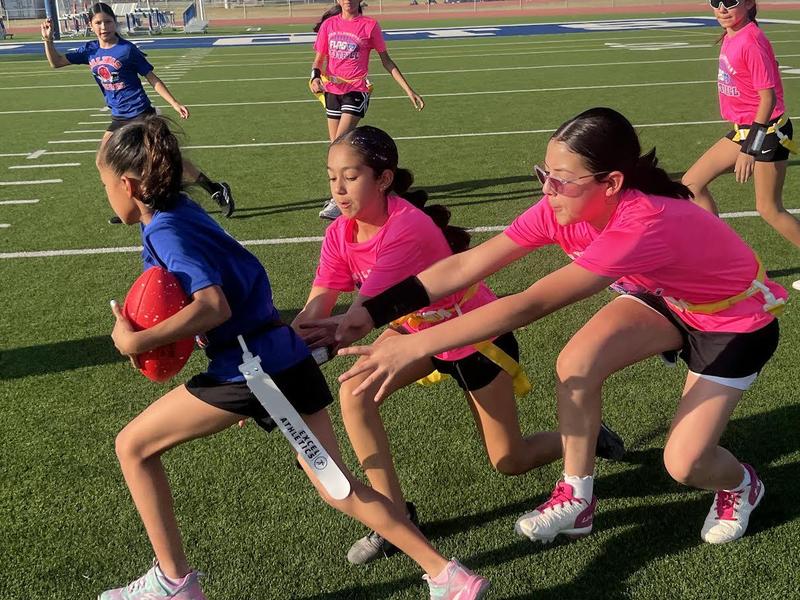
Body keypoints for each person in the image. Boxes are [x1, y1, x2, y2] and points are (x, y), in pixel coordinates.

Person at [333, 107, 784, 546]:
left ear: (611, 183)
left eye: (562, 179)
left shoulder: (641, 224)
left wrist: (413, 346)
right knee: (576, 363)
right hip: (667, 299)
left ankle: (742, 484)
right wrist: (371, 312)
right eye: (544, 174)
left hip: (734, 320)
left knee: (685, 465)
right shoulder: (559, 207)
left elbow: (529, 304)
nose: (548, 190)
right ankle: (576, 498)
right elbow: (466, 265)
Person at [97, 115, 488, 600]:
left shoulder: (166, 230)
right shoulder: (183, 212)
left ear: (129, 185)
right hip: (274, 359)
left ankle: (173, 582)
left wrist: (137, 342)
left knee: (132, 446)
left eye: (105, 185)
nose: (106, 195)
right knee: (337, 486)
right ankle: (448, 575)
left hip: (252, 368)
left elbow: (213, 305)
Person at [293, 125, 624, 565]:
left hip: (474, 335)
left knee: (509, 460)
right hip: (415, 331)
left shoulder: (405, 228)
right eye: (332, 177)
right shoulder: (340, 233)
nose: (338, 188)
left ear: (384, 179)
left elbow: (358, 317)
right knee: (355, 391)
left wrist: (285, 368)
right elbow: (316, 309)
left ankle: (585, 438)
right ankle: (395, 520)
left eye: (350, 177)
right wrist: (278, 354)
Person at [40, 3, 234, 223]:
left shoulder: (127, 50)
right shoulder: (90, 50)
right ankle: (127, 206)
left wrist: (174, 103)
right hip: (119, 117)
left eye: (108, 22)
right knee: (103, 161)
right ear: (90, 25)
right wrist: (48, 40)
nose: (104, 27)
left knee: (169, 159)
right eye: (98, 23)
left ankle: (215, 189)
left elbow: (152, 78)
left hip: (141, 114)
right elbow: (56, 62)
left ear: (115, 23)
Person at [682, 0, 797, 288]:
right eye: (715, 2)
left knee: (769, 208)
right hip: (744, 129)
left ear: (748, 3)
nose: (722, 8)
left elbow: (768, 99)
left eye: (730, 1)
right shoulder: (734, 33)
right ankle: (720, 257)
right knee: (692, 183)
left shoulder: (750, 40)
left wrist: (750, 148)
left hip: (767, 131)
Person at [310, 0, 424, 220]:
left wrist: (409, 90)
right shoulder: (329, 25)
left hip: (356, 91)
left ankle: (339, 199)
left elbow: (386, 61)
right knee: (335, 149)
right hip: (332, 91)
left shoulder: (370, 25)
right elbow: (318, 60)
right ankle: (376, 186)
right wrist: (315, 77)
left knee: (339, 145)